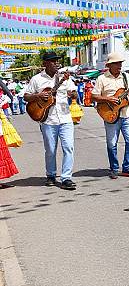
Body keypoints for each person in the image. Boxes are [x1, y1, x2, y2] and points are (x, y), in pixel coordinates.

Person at [24, 52, 78, 190]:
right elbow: (26, 97)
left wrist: (72, 94)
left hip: (65, 118)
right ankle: (51, 175)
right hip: (48, 120)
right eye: (52, 61)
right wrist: (38, 95)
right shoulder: (36, 79)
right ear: (45, 64)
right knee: (50, 150)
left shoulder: (64, 77)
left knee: (68, 148)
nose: (56, 63)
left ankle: (66, 178)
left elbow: (74, 93)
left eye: (56, 61)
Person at [91, 52, 129, 179]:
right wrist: (108, 99)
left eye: (120, 63)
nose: (119, 66)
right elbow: (94, 96)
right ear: (110, 65)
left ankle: (127, 167)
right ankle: (114, 168)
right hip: (110, 114)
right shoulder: (102, 78)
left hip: (127, 114)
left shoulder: (126, 77)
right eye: (117, 63)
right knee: (112, 143)